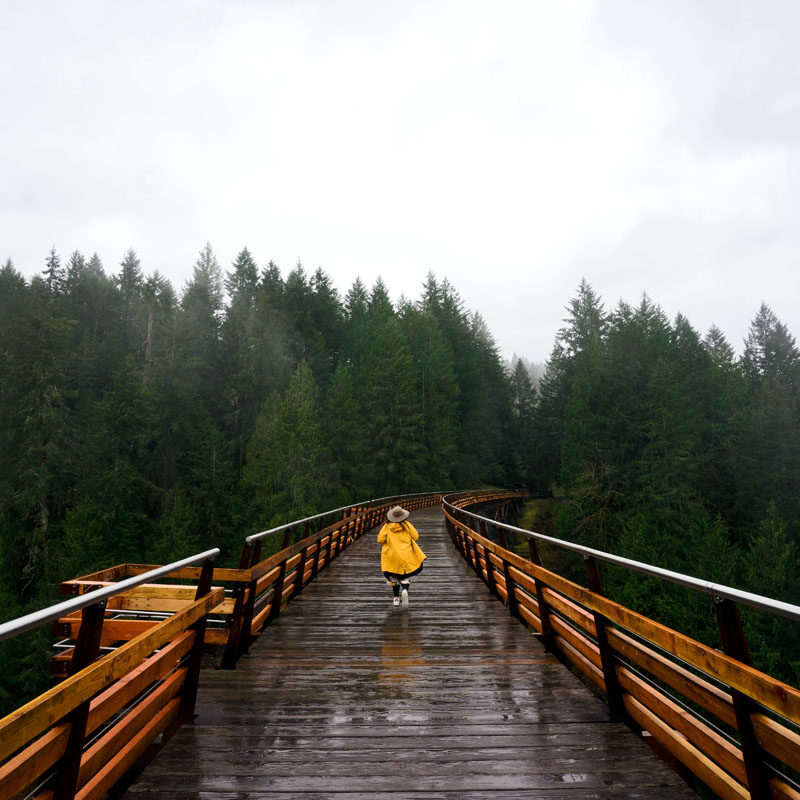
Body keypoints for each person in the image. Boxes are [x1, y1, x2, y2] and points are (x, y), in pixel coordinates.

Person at [377, 505, 426, 607]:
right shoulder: (407, 525)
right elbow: (416, 536)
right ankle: (405, 589)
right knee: (405, 576)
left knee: (393, 576)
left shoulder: (386, 527)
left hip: (392, 556)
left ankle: (396, 598)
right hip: (406, 556)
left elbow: (380, 540)